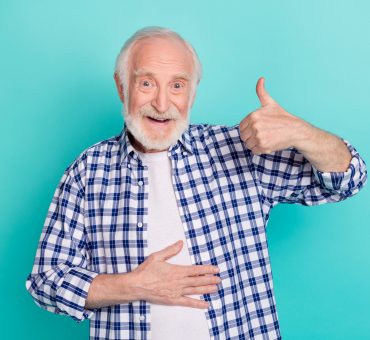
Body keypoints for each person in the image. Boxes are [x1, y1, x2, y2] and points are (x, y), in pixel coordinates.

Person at [26, 26, 367, 340]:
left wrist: (300, 133)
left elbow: (348, 178)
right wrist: (135, 285)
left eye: (177, 85)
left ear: (192, 92)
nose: (162, 103)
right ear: (122, 86)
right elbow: (46, 281)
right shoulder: (88, 171)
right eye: (146, 83)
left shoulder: (240, 152)